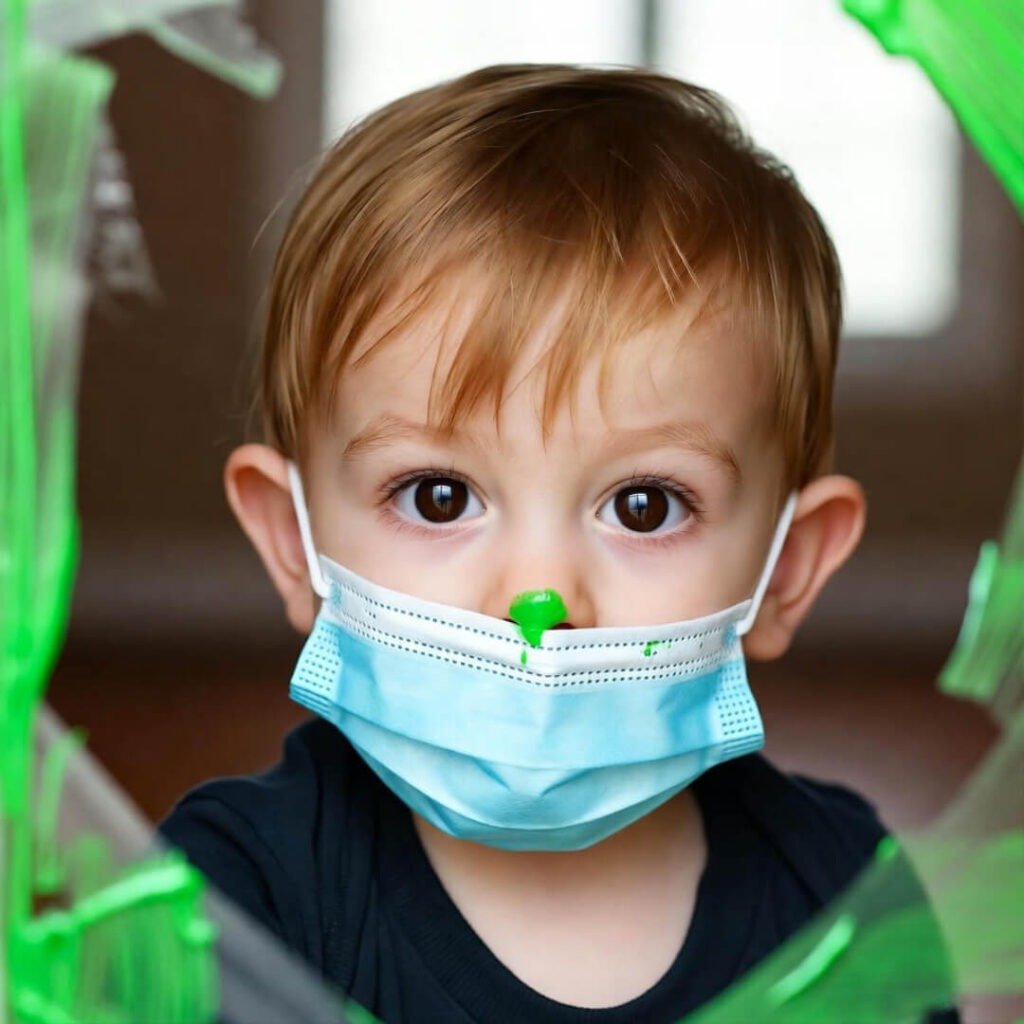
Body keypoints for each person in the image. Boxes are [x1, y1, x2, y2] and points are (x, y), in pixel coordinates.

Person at [160, 65, 958, 1022]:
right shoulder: (230, 902)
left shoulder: (845, 909)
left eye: (645, 507)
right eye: (439, 494)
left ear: (788, 568)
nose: (540, 602)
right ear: (293, 540)